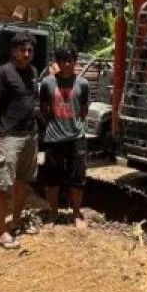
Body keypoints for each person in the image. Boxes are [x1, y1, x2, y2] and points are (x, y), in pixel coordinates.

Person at [0, 32, 40, 249]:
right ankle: (1, 231)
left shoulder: (33, 72)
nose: (27, 54)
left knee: (22, 182)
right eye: (23, 50)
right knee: (3, 185)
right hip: (8, 137)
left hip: (29, 136)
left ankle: (16, 221)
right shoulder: (3, 73)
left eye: (30, 50)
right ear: (14, 52)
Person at [39, 44, 91, 229]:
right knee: (52, 178)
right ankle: (53, 213)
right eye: (62, 61)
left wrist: (73, 125)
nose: (67, 64)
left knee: (77, 178)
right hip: (53, 138)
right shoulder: (47, 83)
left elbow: (83, 110)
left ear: (75, 62)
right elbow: (43, 110)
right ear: (57, 62)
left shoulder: (83, 84)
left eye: (70, 60)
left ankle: (76, 214)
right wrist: (54, 126)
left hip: (76, 137)